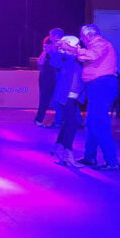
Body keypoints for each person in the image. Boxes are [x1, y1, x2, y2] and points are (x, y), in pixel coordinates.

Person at [63, 24, 120, 171]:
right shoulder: (93, 47)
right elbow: (87, 58)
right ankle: (90, 157)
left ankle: (112, 162)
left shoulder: (100, 43)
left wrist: (73, 49)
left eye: (82, 36)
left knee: (99, 122)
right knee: (91, 122)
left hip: (102, 85)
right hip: (97, 86)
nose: (81, 39)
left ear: (88, 35)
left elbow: (93, 55)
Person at [50, 36, 84, 167]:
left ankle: (58, 148)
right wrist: (58, 47)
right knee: (73, 124)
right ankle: (67, 154)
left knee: (68, 123)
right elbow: (54, 62)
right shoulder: (63, 58)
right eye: (76, 45)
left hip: (72, 97)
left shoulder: (78, 58)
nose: (78, 47)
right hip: (66, 97)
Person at [34, 29, 64, 127]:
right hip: (47, 76)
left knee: (60, 99)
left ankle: (60, 121)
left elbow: (59, 64)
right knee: (45, 98)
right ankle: (39, 120)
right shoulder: (49, 44)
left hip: (59, 76)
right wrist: (46, 51)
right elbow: (40, 62)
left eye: (51, 35)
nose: (50, 37)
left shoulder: (64, 45)